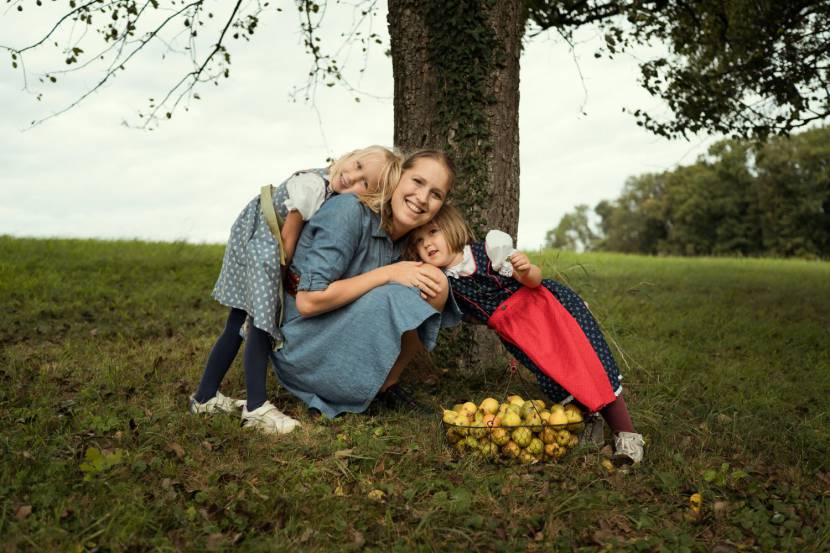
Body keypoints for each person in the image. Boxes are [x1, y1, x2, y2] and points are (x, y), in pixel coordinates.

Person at [410, 205, 645, 465]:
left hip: (547, 310)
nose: (427, 243)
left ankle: (627, 435)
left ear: (452, 227)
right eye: (419, 241)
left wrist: (524, 269)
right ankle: (588, 421)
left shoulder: (489, 249)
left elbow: (534, 280)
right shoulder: (443, 281)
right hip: (517, 331)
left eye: (433, 232)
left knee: (588, 362)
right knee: (554, 374)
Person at [189, 146, 402, 434]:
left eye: (364, 183)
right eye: (356, 165)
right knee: (260, 326)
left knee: (236, 324)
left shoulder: (330, 188)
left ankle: (204, 397)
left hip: (258, 245)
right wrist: (281, 287)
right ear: (350, 155)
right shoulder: (314, 187)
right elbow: (287, 245)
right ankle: (256, 407)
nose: (351, 177)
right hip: (267, 249)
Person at [271, 150, 461, 419]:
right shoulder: (349, 211)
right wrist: (388, 273)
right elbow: (308, 301)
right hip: (302, 347)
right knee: (398, 291)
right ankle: (347, 389)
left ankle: (385, 387)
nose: (421, 198)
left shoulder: (410, 241)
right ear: (397, 178)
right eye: (417, 182)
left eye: (435, 194)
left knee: (435, 282)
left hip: (339, 331)